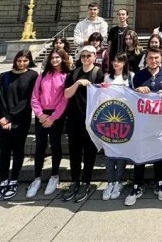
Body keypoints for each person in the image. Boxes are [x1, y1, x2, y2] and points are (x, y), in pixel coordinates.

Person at [125, 46, 162, 206]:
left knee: (159, 154)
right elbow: (129, 97)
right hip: (142, 123)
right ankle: (137, 185)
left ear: (161, 59)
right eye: (150, 58)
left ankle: (159, 183)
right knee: (140, 154)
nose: (153, 60)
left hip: (159, 123)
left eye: (156, 58)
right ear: (146, 59)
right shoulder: (138, 76)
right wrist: (136, 91)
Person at [0, 50, 38, 201]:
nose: (22, 63)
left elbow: (27, 100)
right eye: (19, 60)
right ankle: (3, 181)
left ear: (29, 61)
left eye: (25, 61)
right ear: (15, 61)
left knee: (18, 151)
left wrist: (10, 117)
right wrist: (3, 118)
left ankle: (13, 180)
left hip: (20, 119)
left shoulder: (33, 76)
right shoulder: (4, 76)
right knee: (4, 151)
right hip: (3, 120)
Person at [62, 45, 105, 203]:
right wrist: (78, 83)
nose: (86, 58)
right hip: (74, 118)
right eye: (83, 56)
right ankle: (75, 181)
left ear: (94, 57)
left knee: (89, 152)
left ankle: (86, 181)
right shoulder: (74, 73)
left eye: (89, 56)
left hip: (90, 119)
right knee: (74, 152)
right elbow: (66, 94)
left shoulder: (98, 73)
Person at [27, 49, 71, 198]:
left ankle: (54, 175)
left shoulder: (66, 76)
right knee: (40, 146)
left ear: (63, 58)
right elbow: (34, 96)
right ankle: (37, 178)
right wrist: (40, 114)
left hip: (56, 116)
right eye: (52, 57)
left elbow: (64, 99)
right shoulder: (42, 75)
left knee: (55, 144)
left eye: (57, 57)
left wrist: (53, 118)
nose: (55, 60)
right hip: (42, 114)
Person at [100, 53, 133, 200]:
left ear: (124, 63)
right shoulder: (107, 77)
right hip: (109, 117)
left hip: (124, 118)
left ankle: (118, 181)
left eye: (119, 61)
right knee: (109, 151)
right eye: (114, 60)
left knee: (121, 151)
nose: (116, 63)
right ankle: (110, 182)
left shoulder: (130, 77)